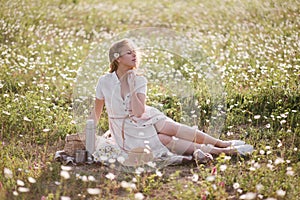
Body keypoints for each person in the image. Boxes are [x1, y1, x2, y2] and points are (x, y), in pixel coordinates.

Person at [92, 38, 253, 167]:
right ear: (117, 58)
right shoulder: (104, 81)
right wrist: (88, 134)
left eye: (135, 52)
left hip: (145, 118)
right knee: (165, 140)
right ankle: (223, 151)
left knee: (171, 128)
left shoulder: (139, 79)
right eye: (129, 53)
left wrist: (133, 87)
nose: (134, 55)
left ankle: (222, 143)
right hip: (126, 130)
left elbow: (140, 112)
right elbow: (97, 112)